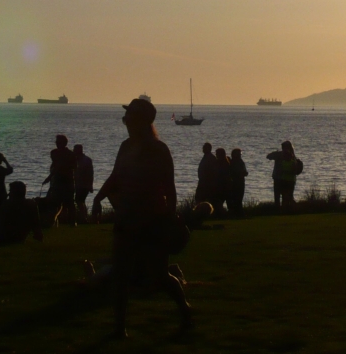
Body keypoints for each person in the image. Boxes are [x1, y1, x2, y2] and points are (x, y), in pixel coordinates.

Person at [91, 96, 192, 337]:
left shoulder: (159, 150)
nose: (125, 120)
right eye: (126, 117)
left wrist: (169, 218)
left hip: (152, 221)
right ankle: (120, 329)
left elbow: (170, 188)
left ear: (143, 120)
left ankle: (185, 311)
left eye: (130, 116)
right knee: (121, 274)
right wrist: (98, 198)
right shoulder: (126, 146)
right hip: (126, 219)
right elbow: (116, 175)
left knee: (160, 276)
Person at [44, 134, 76, 226]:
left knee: (69, 202)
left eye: (59, 142)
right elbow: (56, 166)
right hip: (58, 181)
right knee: (55, 202)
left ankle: (72, 221)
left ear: (64, 143)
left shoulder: (69, 154)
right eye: (57, 142)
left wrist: (50, 177)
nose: (57, 144)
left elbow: (70, 166)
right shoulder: (55, 153)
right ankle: (53, 221)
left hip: (67, 181)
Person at [267, 140, 299, 211]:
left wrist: (276, 153)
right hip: (286, 179)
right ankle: (287, 210)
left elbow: (268, 156)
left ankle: (281, 210)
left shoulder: (280, 155)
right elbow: (268, 156)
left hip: (281, 178)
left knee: (280, 196)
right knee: (287, 197)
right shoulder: (293, 156)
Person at [74, 144, 94, 224]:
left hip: (83, 184)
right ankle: (84, 217)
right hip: (79, 184)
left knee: (79, 200)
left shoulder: (86, 160)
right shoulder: (77, 160)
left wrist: (90, 185)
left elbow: (90, 173)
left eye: (75, 150)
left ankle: (84, 218)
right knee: (80, 201)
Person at [228, 148, 248, 217]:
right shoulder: (233, 162)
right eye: (238, 154)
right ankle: (237, 213)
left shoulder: (240, 162)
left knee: (239, 198)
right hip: (235, 182)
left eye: (240, 154)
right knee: (236, 198)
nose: (240, 155)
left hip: (240, 182)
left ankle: (238, 212)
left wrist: (244, 173)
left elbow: (244, 171)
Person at [213, 148, 232, 214]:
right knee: (227, 201)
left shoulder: (219, 163)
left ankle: (221, 213)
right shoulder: (227, 162)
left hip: (221, 186)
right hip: (226, 185)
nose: (216, 155)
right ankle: (228, 213)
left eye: (217, 154)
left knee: (219, 201)